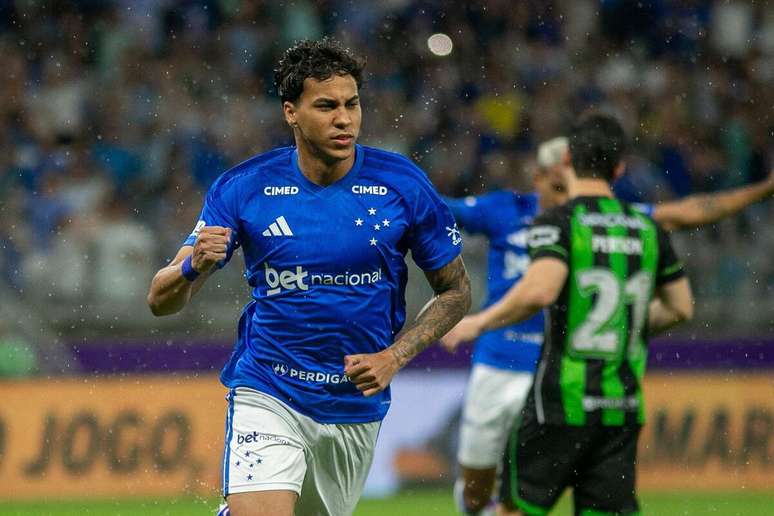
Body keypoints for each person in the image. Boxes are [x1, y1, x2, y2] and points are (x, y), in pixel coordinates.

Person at [146, 38, 471, 516]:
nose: (344, 118)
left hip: (352, 406)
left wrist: (394, 357)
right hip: (269, 387)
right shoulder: (244, 188)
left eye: (352, 104)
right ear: (291, 113)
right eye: (326, 106)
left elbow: (456, 291)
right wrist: (193, 265)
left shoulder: (401, 184)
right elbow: (160, 299)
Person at [442, 136, 774, 515]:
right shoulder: (505, 209)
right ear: (539, 178)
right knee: (475, 493)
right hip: (498, 364)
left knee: (520, 499)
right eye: (556, 183)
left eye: (569, 180)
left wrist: (762, 190)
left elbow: (686, 212)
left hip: (551, 372)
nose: (566, 190)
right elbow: (436, 209)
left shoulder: (601, 223)